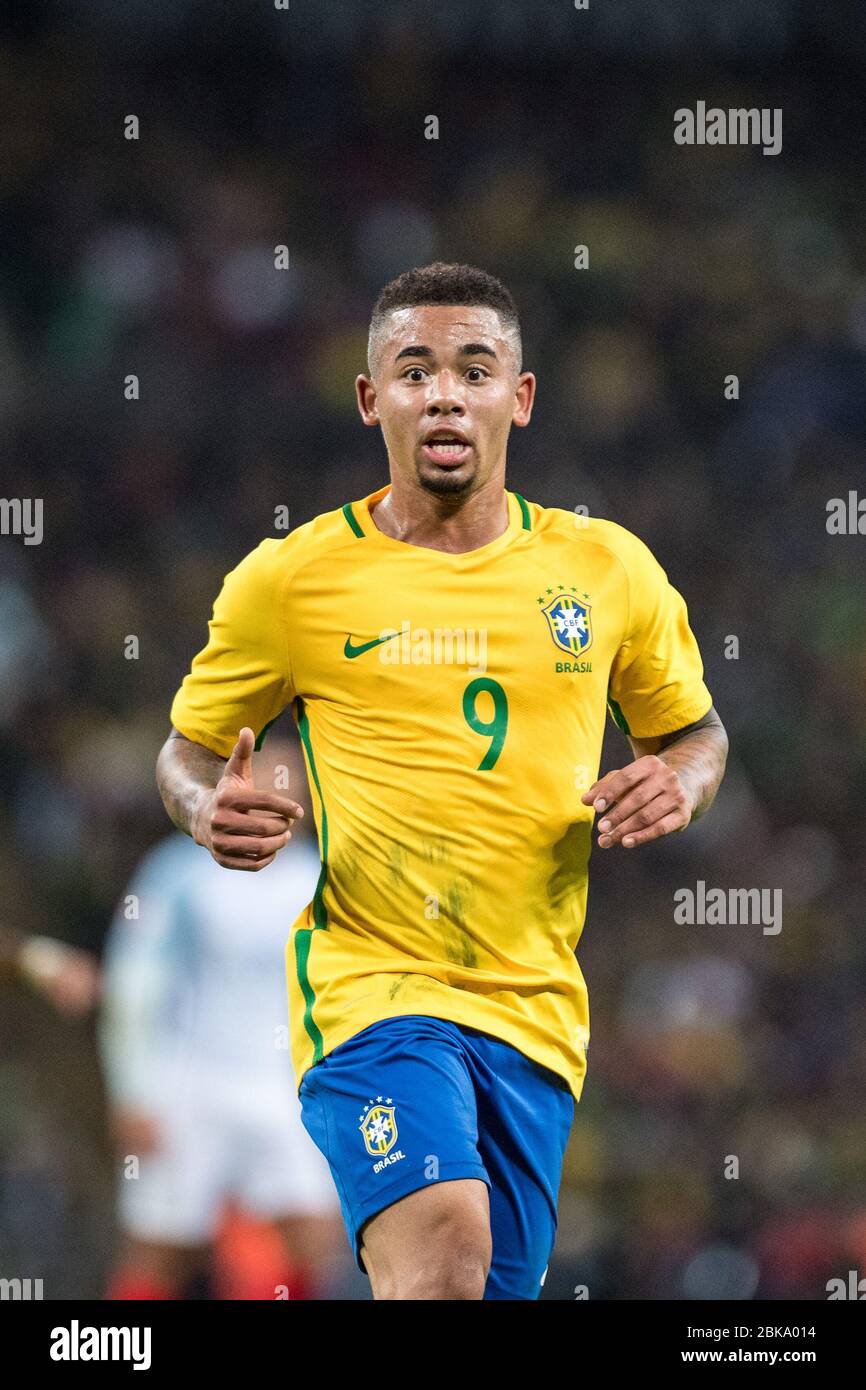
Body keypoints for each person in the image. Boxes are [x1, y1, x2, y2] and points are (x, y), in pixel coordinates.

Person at [156, 261, 729, 1300]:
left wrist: (680, 782)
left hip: (533, 1014)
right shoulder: (291, 579)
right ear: (372, 398)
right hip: (372, 991)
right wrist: (205, 804)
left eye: (474, 368)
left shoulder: (606, 571)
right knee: (444, 1256)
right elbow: (186, 749)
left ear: (520, 396)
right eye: (414, 370)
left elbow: (692, 731)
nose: (445, 393)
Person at [101, 737, 344, 1300]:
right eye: (267, 780)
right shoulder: (177, 874)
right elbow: (133, 986)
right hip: (189, 1086)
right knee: (162, 1252)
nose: (280, 796)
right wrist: (133, 1091)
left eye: (293, 783)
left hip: (286, 1089)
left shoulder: (322, 881)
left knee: (313, 1240)